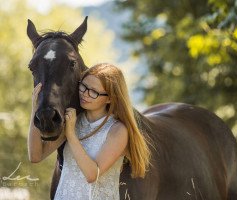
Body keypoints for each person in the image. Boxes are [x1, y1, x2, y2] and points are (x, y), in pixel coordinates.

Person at [28, 63, 151, 200]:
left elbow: (92, 174)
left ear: (110, 98)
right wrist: (35, 110)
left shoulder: (118, 130)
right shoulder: (73, 120)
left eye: (93, 92)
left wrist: (71, 135)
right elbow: (36, 156)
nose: (85, 94)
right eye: (83, 86)